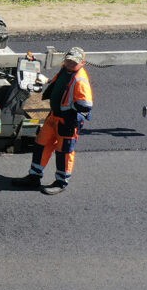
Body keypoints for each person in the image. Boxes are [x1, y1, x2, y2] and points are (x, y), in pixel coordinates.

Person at [13, 47, 93, 194]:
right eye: (68, 60)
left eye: (74, 62)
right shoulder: (65, 70)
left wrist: (69, 109)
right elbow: (59, 85)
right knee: (41, 145)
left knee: (64, 152)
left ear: (82, 62)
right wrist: (47, 81)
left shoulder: (80, 79)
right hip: (54, 116)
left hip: (68, 122)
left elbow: (86, 105)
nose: (70, 63)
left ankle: (61, 182)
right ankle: (34, 177)